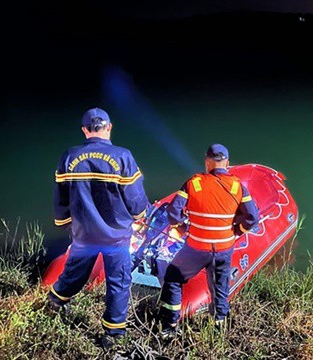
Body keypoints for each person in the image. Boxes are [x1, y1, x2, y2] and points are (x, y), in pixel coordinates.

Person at [47, 107, 150, 349]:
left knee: (75, 272)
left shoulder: (69, 156)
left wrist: (62, 222)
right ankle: (112, 334)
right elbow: (135, 198)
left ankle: (54, 302)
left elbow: (61, 196)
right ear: (109, 127)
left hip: (84, 233)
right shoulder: (123, 156)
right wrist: (141, 218)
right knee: (118, 281)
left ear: (84, 130)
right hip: (116, 236)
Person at [158, 143, 259, 338]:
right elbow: (252, 218)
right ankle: (219, 326)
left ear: (207, 162)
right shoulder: (238, 186)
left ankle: (170, 326)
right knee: (220, 286)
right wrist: (238, 230)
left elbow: (173, 212)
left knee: (173, 276)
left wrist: (181, 228)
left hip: (196, 247)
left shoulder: (193, 183)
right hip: (224, 248)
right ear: (227, 163)